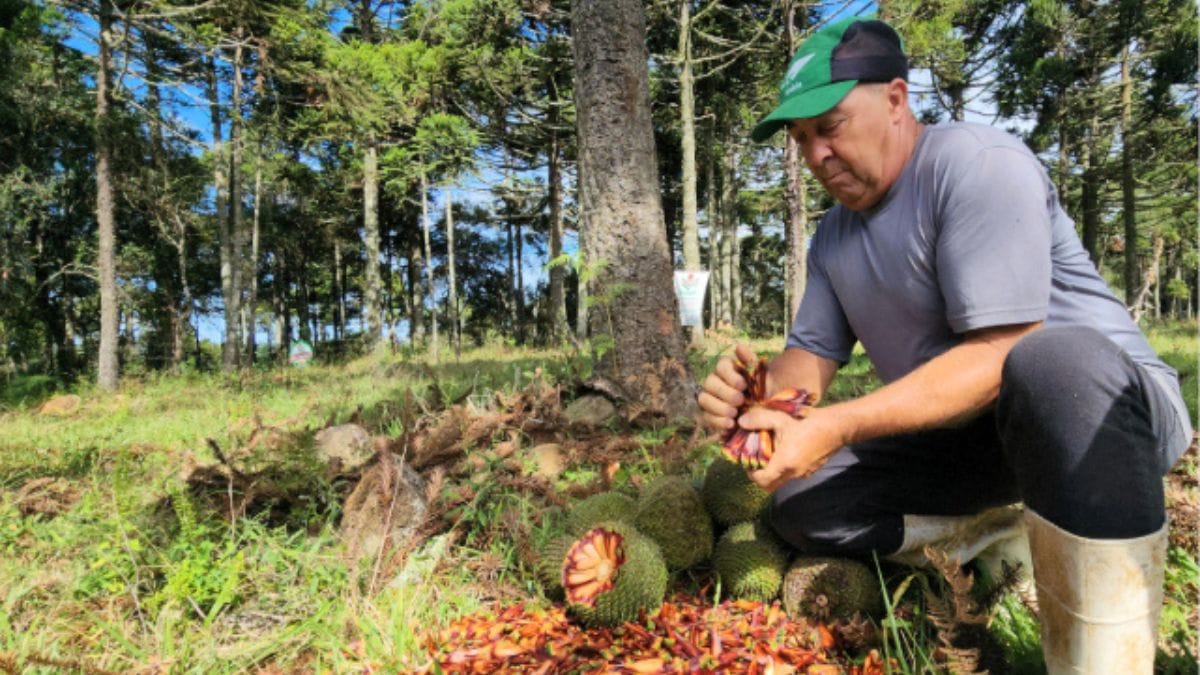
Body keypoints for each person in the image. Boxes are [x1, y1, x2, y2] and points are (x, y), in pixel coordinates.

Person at [697, 16, 1193, 674]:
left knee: (1047, 362)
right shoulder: (834, 240)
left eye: (830, 126)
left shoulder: (976, 165)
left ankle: (1106, 659)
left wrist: (839, 423)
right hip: (973, 433)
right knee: (800, 501)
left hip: (1096, 414)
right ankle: (1006, 540)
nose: (815, 155)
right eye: (801, 139)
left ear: (896, 99)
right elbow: (808, 361)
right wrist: (758, 404)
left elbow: (998, 356)